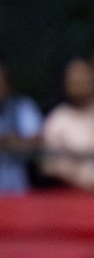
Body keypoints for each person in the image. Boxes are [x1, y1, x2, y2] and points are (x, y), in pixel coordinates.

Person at [40, 58, 94, 191]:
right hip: (76, 196)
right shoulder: (58, 119)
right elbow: (54, 169)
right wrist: (91, 183)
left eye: (84, 76)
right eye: (74, 79)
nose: (79, 82)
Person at [0, 62, 43, 196]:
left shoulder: (23, 107)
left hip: (18, 194)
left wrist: (9, 143)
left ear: (8, 85)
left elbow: (38, 143)